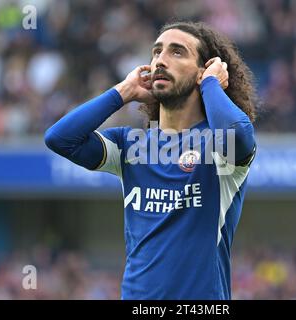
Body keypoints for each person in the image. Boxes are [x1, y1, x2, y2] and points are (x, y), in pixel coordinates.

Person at [45, 21, 257, 299]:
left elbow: (236, 132)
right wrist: (123, 92)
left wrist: (210, 84)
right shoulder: (131, 144)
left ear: (203, 72)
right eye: (156, 52)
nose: (160, 60)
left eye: (177, 52)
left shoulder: (219, 148)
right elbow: (60, 139)